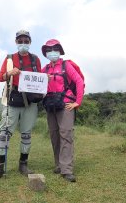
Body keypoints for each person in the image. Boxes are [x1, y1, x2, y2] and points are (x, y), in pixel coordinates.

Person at [0, 30, 42, 182]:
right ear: (16, 42)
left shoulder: (36, 59)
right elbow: (0, 77)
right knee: (4, 133)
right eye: (20, 40)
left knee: (26, 134)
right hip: (13, 99)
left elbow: (39, 79)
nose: (23, 43)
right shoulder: (9, 58)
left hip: (30, 101)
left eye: (26, 40)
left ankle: (23, 164)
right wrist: (9, 73)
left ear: (30, 42)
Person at [41, 39, 84, 182]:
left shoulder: (66, 66)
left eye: (55, 49)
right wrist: (43, 79)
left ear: (59, 51)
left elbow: (79, 81)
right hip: (51, 105)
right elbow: (35, 84)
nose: (52, 52)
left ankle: (67, 170)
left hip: (66, 104)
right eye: (49, 50)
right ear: (46, 53)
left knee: (66, 134)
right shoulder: (45, 69)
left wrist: (77, 102)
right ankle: (59, 164)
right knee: (54, 136)